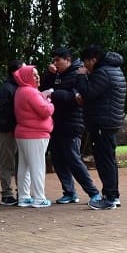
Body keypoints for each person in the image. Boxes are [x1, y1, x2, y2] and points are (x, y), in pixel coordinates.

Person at [41, 47, 100, 204]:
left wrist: (53, 93)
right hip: (56, 123)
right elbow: (42, 90)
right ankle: (69, 192)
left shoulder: (78, 74)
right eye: (53, 60)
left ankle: (94, 192)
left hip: (72, 123)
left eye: (57, 60)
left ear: (68, 59)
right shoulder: (57, 75)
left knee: (73, 159)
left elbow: (75, 98)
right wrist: (50, 75)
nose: (55, 63)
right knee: (58, 159)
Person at [76, 45, 126, 210]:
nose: (85, 66)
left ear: (93, 59)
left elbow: (89, 93)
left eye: (85, 63)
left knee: (105, 161)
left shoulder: (102, 72)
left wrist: (82, 77)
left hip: (102, 122)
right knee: (109, 159)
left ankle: (109, 197)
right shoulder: (113, 69)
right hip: (109, 121)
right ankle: (113, 196)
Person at [13, 64, 54, 208]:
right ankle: (39, 198)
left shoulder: (20, 90)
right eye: (34, 75)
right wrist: (49, 101)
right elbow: (45, 111)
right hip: (35, 134)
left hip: (22, 133)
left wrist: (42, 96)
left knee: (24, 166)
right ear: (26, 77)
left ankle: (24, 197)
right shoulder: (31, 92)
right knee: (37, 166)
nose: (37, 77)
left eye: (37, 74)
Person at [0, 60, 23, 205]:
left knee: (20, 162)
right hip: (8, 131)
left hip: (20, 130)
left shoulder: (20, 87)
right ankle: (6, 193)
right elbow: (0, 111)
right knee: (8, 162)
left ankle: (21, 192)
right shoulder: (6, 88)